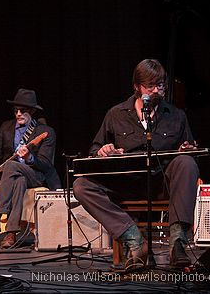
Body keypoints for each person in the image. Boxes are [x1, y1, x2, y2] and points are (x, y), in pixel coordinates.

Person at [73, 59, 199, 269]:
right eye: (150, 86)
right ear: (137, 87)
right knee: (81, 185)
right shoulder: (116, 114)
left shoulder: (176, 115)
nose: (157, 91)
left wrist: (187, 150)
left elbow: (190, 154)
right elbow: (94, 150)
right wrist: (103, 152)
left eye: (160, 85)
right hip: (125, 184)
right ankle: (134, 238)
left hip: (162, 185)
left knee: (186, 163)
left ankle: (178, 244)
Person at [0, 89, 61, 248]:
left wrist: (28, 158)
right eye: (15, 110)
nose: (18, 113)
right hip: (11, 178)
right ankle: (11, 233)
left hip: (36, 175)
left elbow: (46, 164)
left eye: (23, 110)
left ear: (32, 111)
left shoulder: (45, 132)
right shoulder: (6, 128)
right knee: (18, 180)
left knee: (12, 166)